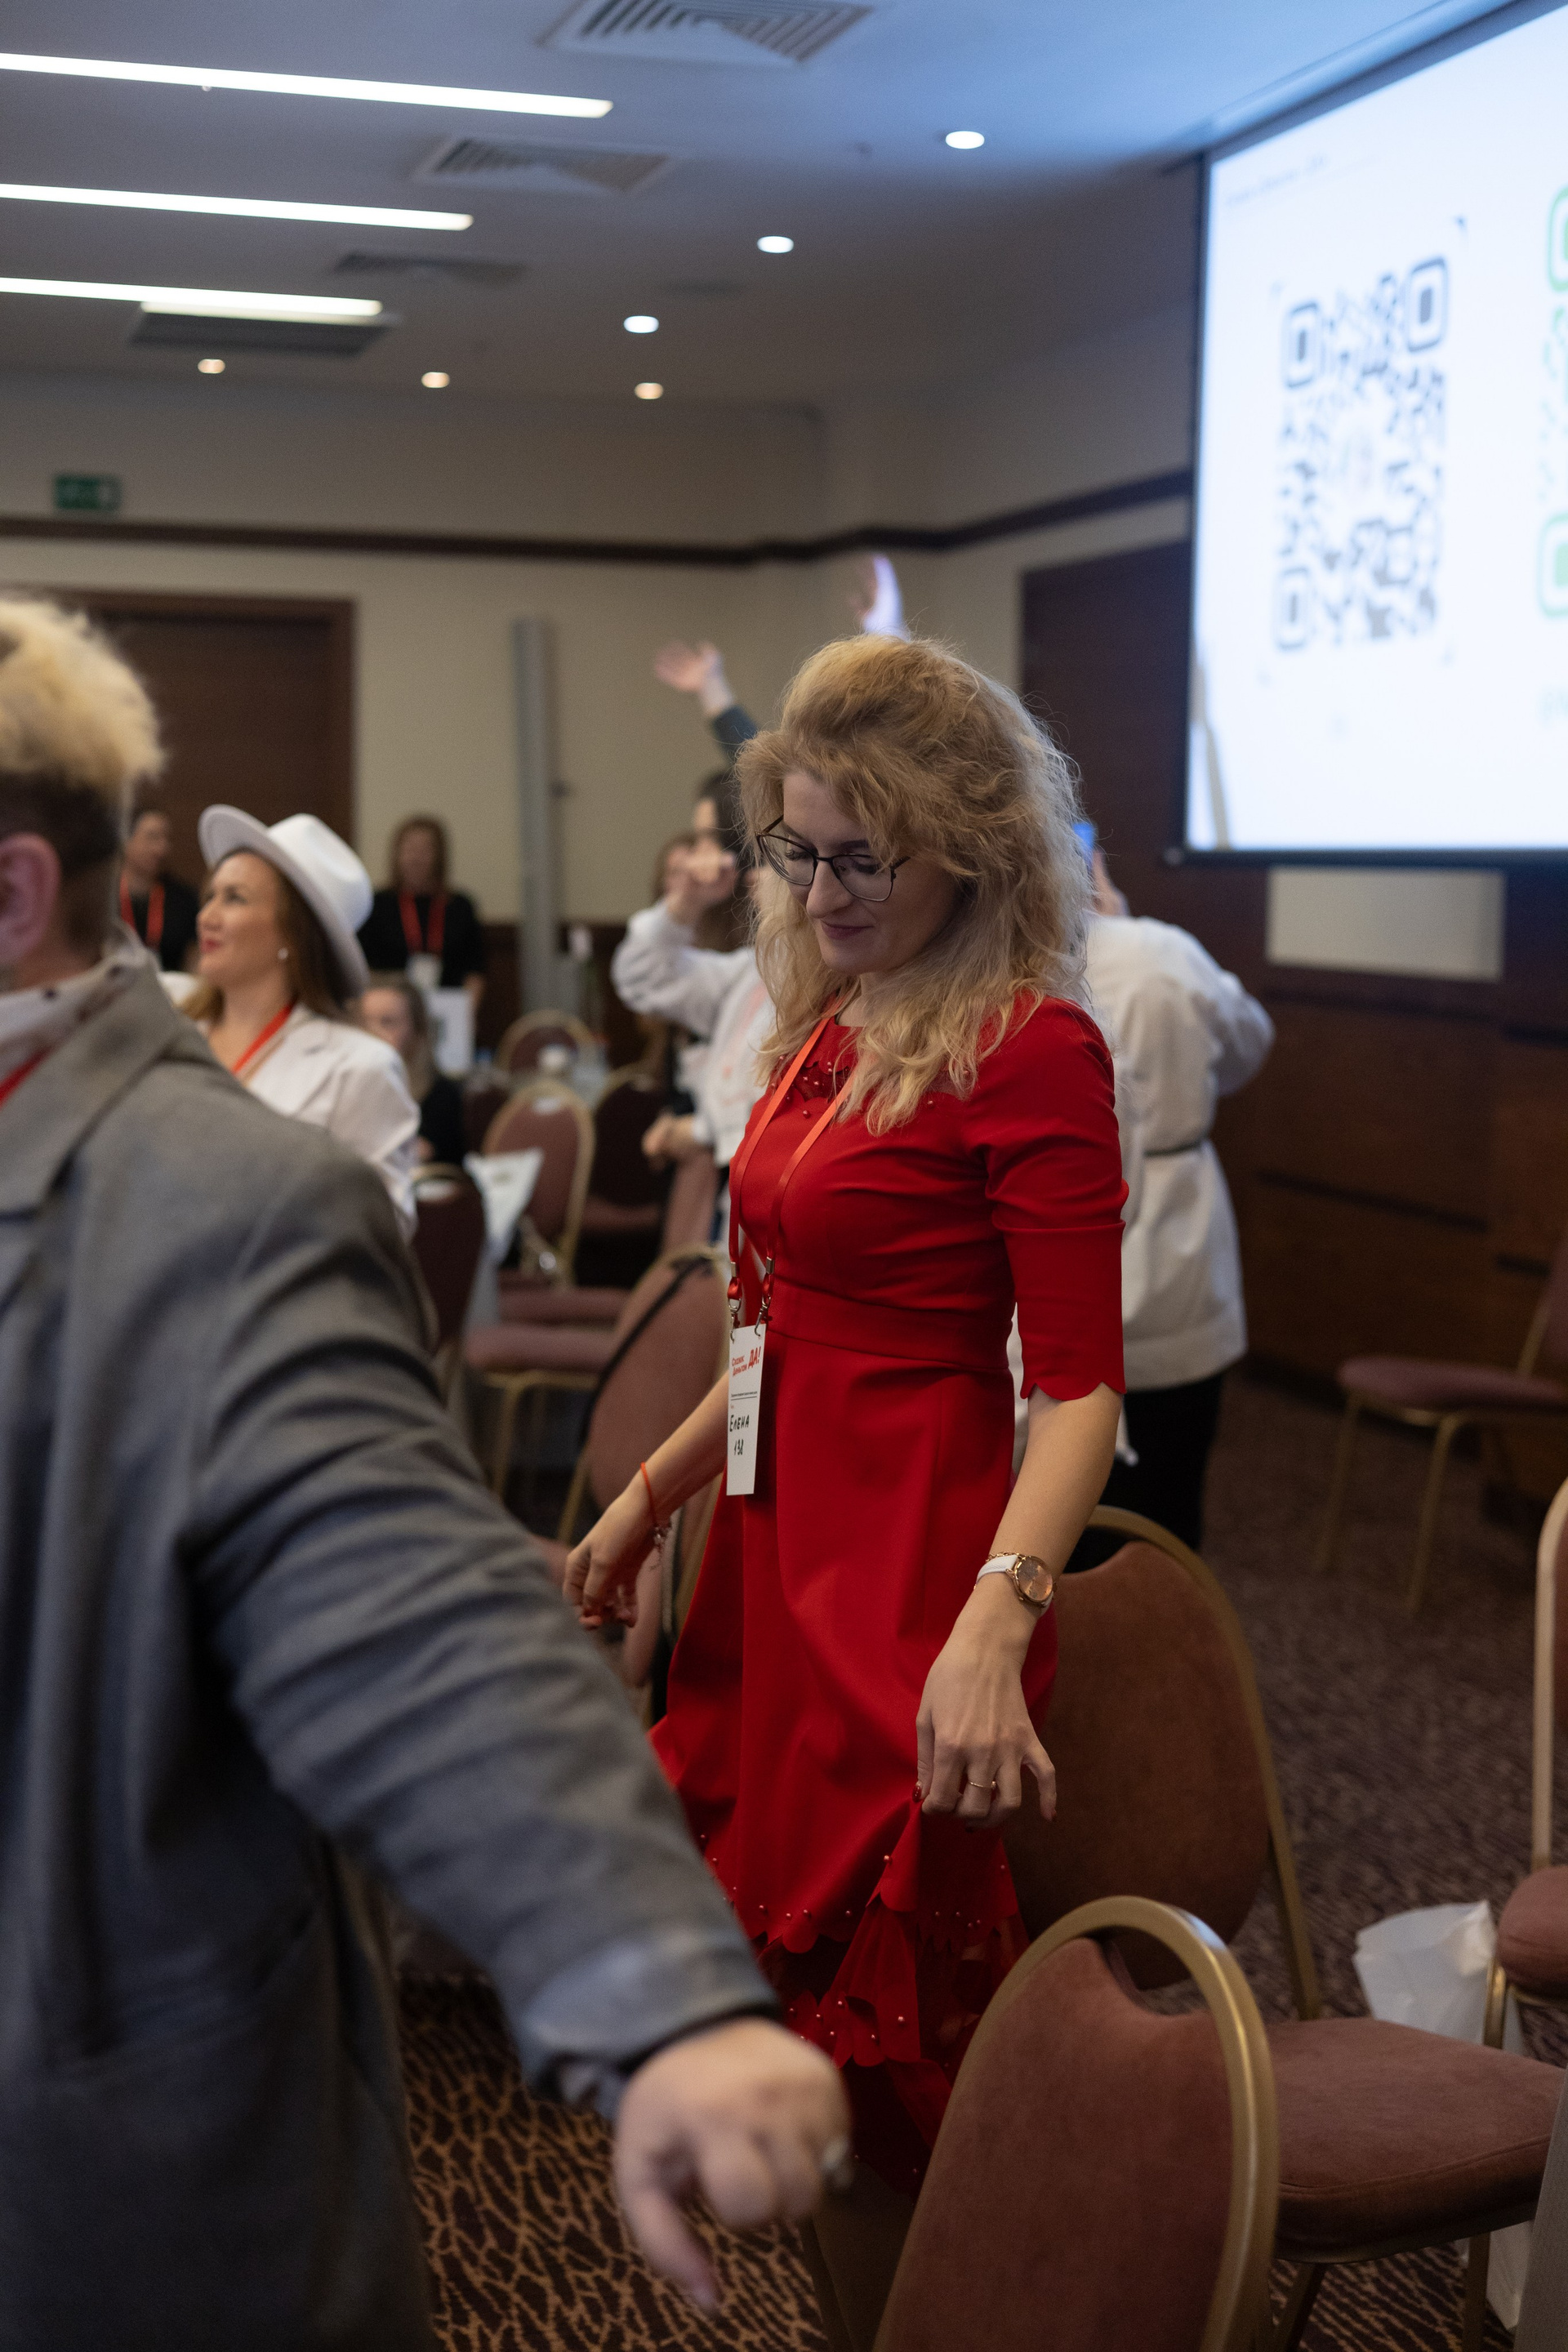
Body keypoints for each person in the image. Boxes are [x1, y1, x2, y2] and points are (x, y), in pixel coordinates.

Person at [0, 591, 848, 2350]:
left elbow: (410, 1608)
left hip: (93, 2166)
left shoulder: (225, 1203)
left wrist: (654, 1987)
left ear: (14, 896)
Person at [568, 635, 1126, 2215]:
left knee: (902, 2049)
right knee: (784, 2025)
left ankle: (996, 2283)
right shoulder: (832, 1017)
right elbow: (769, 1326)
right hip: (773, 1545)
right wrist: (652, 1496)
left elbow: (1080, 1390)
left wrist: (997, 1618)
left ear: (970, 846)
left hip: (904, 1562)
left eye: (861, 857)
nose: (820, 891)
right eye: (799, 852)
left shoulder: (1030, 1046)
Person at [1080, 848, 1273, 1550]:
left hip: (1069, 1246)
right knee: (1171, 1492)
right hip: (1178, 1240)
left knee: (1068, 1499)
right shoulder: (1161, 950)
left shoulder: (1006, 961)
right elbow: (1247, 1046)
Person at [189, 807, 421, 1236]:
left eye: (235, 898)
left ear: (291, 934)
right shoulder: (174, 1034)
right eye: (210, 896)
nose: (207, 917)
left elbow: (381, 1234)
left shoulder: (359, 1069)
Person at [612, 834, 771, 1187]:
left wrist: (700, 1130)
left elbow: (773, 1093)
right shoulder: (749, 971)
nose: (754, 878)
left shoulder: (825, 978)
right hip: (727, 1173)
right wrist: (688, 900)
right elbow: (641, 978)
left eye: (774, 864)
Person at [358, 813, 488, 1015]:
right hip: (392, 1010)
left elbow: (475, 972)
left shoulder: (460, 906)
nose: (416, 858)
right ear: (397, 854)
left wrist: (464, 1016)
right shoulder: (377, 904)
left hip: (447, 1011)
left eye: (425, 850)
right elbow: (365, 968)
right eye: (410, 849)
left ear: (439, 856)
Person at [361, 969, 468, 1168]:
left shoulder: (441, 1094)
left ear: (417, 1030)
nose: (372, 1033)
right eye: (365, 1022)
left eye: (387, 1022)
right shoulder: (347, 1086)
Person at [118, 800, 199, 972]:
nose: (161, 849)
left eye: (165, 839)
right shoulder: (104, 897)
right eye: (152, 837)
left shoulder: (183, 899)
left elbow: (195, 960)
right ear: (126, 840)